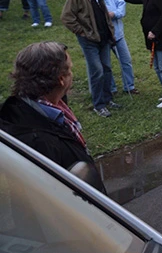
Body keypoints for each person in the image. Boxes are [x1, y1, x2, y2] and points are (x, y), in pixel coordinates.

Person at [0, 42, 106, 193]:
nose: (72, 73)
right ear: (61, 79)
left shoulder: (34, 106)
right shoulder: (38, 142)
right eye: (70, 69)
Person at [61, 0, 119, 117]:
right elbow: (67, 17)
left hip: (104, 38)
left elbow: (104, 15)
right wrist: (82, 32)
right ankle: (98, 105)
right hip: (89, 40)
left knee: (106, 69)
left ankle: (107, 99)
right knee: (97, 71)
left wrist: (110, 31)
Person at [100, 0, 138, 95]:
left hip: (117, 35)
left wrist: (114, 14)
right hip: (103, 37)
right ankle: (111, 89)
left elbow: (122, 7)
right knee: (106, 64)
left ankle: (129, 86)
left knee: (126, 60)